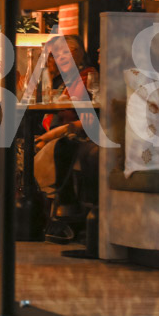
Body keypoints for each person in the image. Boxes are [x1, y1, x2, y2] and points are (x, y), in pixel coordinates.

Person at [32, 35, 99, 243]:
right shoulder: (64, 80)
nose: (59, 59)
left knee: (58, 147)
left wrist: (48, 136)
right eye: (56, 55)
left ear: (77, 55)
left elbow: (78, 113)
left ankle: (56, 212)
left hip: (73, 132)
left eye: (65, 54)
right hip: (54, 129)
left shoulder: (86, 76)